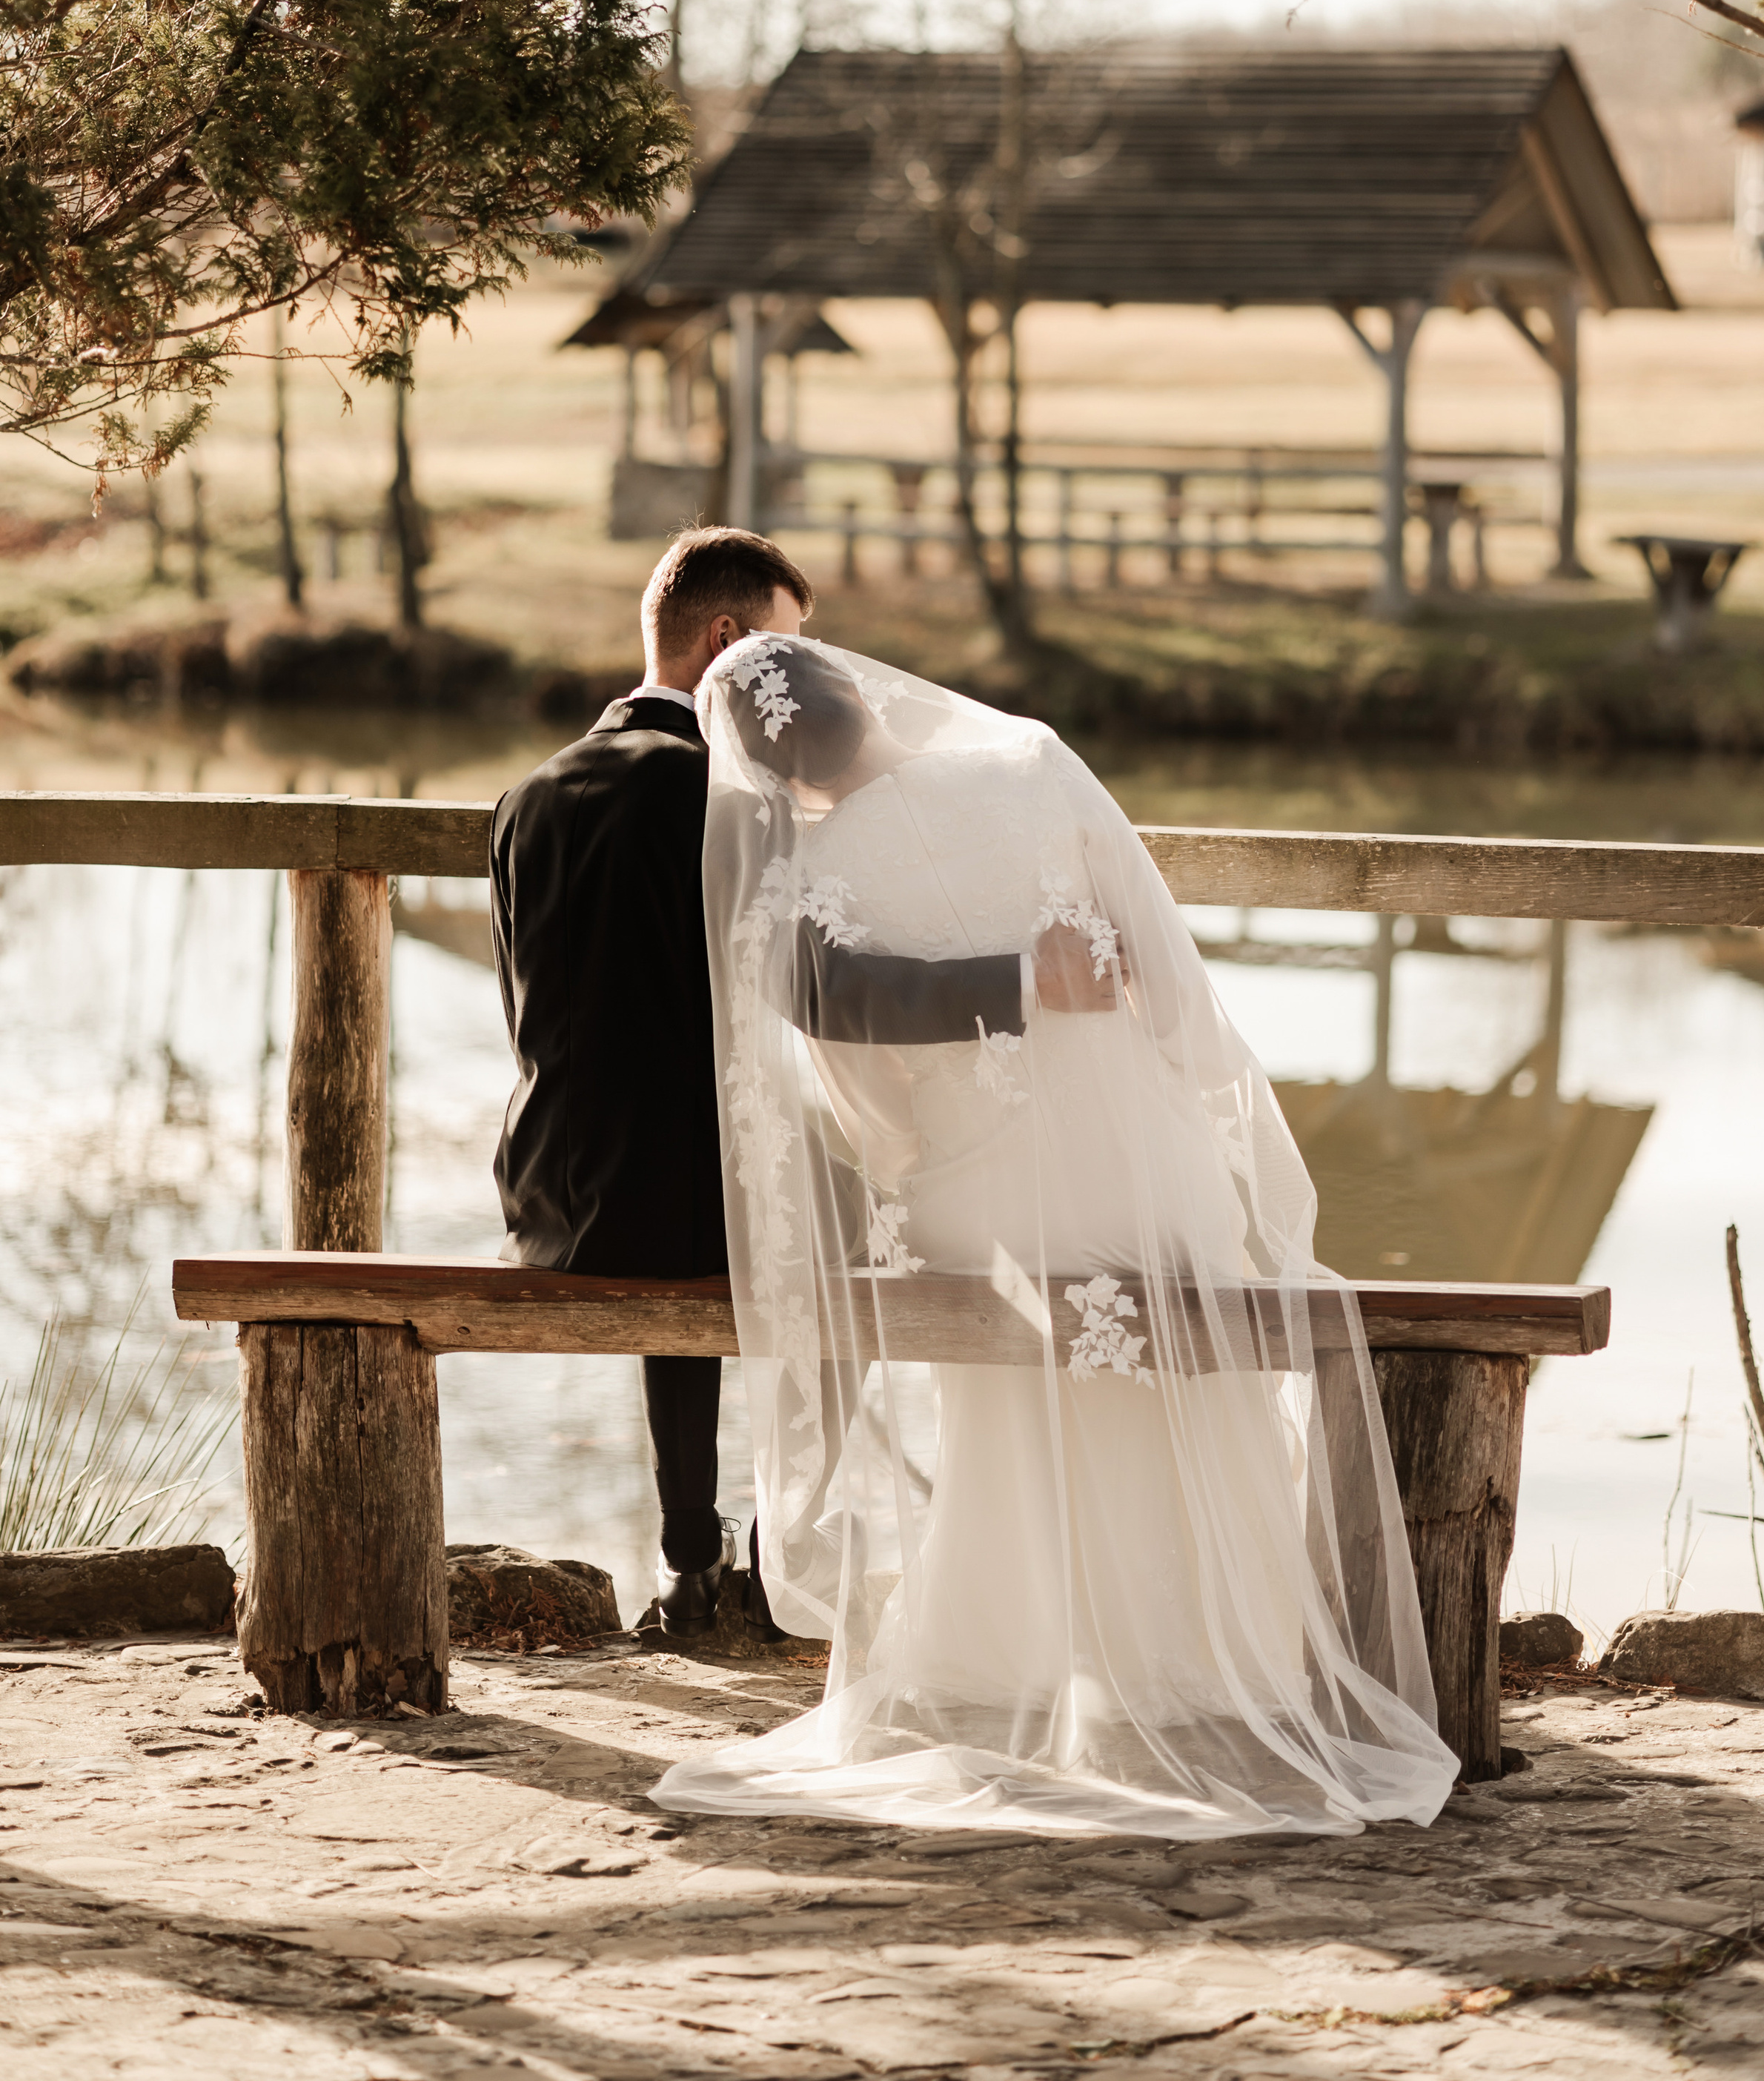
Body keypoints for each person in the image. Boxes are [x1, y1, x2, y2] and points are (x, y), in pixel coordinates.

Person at [654, 637, 1459, 1839]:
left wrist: (923, 1154)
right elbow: (1178, 988)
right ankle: (1204, 1654)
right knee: (1172, 1324)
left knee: (1001, 1355)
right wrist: (1175, 1099)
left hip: (978, 1209)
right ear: (862, 693)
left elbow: (857, 1078)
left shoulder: (811, 869)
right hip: (1146, 1170)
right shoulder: (1029, 761)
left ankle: (1013, 1658)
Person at [488, 527, 1113, 1638]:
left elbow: (532, 1016)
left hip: (546, 1201)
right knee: (894, 1224)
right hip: (682, 1212)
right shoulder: (723, 805)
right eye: (790, 649)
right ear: (727, 645)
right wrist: (1022, 981)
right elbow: (830, 995)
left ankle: (692, 1556)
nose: (813, 681)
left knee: (726, 1182)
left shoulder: (527, 796)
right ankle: (789, 1546)